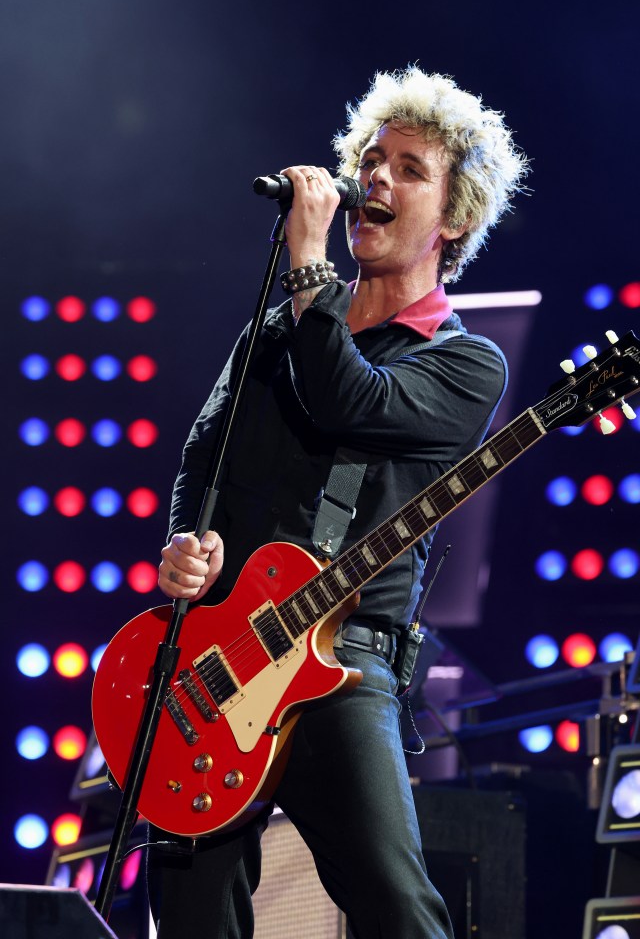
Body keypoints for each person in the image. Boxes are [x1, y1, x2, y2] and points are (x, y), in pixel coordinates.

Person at [148, 65, 528, 938]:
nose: (375, 180)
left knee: (398, 911)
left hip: (341, 661)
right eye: (370, 158)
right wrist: (187, 541)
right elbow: (205, 449)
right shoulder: (280, 324)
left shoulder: (465, 364)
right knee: (190, 908)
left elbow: (345, 398)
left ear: (456, 218)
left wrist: (309, 267)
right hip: (220, 656)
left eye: (408, 169)